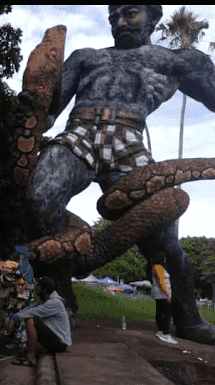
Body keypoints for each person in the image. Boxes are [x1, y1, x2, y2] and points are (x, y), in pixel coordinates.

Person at [23, 5, 215, 343]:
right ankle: (62, 299)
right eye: (114, 17)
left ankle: (189, 320)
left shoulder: (176, 61)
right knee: (41, 195)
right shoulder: (85, 58)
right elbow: (50, 112)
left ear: (153, 16)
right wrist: (30, 108)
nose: (120, 22)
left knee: (165, 239)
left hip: (128, 140)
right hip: (77, 133)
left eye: (130, 13)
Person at [5, 276, 71, 366]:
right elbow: (31, 308)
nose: (35, 288)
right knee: (29, 318)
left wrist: (14, 319)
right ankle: (28, 351)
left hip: (59, 344)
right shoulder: (49, 299)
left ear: (44, 289)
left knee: (30, 320)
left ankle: (31, 358)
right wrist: (14, 317)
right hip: (55, 338)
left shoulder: (54, 303)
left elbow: (32, 312)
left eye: (38, 286)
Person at [0, 244, 34, 350]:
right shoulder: (24, 265)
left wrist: (8, 282)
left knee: (17, 320)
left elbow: (22, 280)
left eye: (16, 253)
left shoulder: (24, 266)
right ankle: (18, 343)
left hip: (19, 299)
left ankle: (19, 344)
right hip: (19, 299)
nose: (14, 255)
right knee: (17, 319)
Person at [151, 256, 177, 344]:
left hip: (158, 293)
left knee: (160, 312)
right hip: (161, 294)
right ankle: (165, 333)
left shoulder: (155, 267)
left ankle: (160, 331)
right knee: (167, 313)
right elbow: (161, 281)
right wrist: (167, 294)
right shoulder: (158, 267)